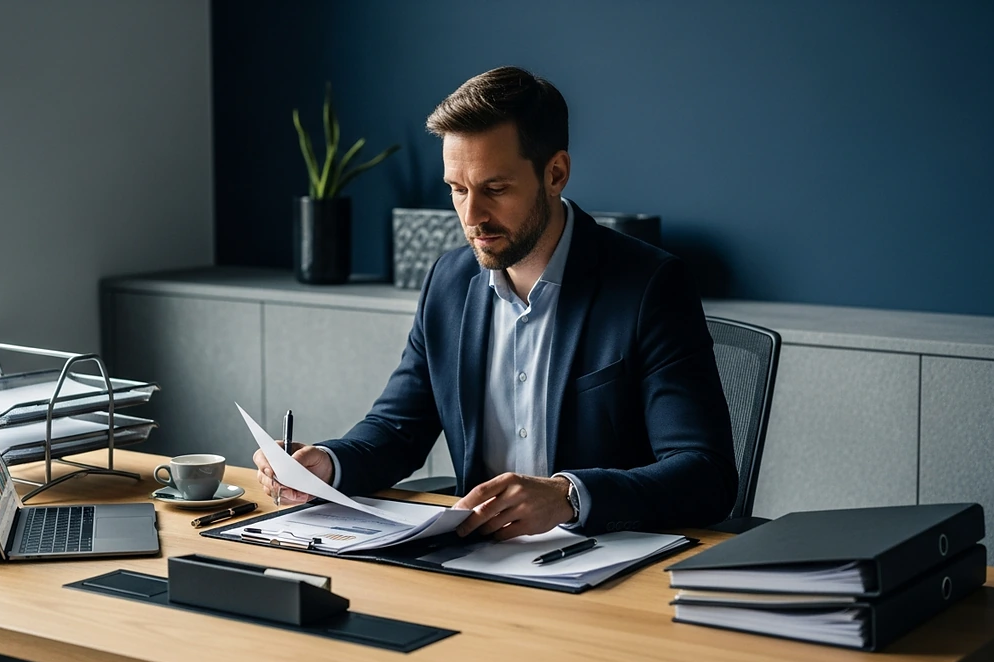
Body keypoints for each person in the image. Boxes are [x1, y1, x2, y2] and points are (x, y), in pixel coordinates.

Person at [254, 66, 736, 539]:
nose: (472, 216)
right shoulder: (448, 280)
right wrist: (328, 464)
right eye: (457, 190)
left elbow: (705, 474)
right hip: (478, 559)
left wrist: (568, 496)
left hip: (603, 560)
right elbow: (397, 429)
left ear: (556, 173)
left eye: (495, 189)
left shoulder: (650, 285)